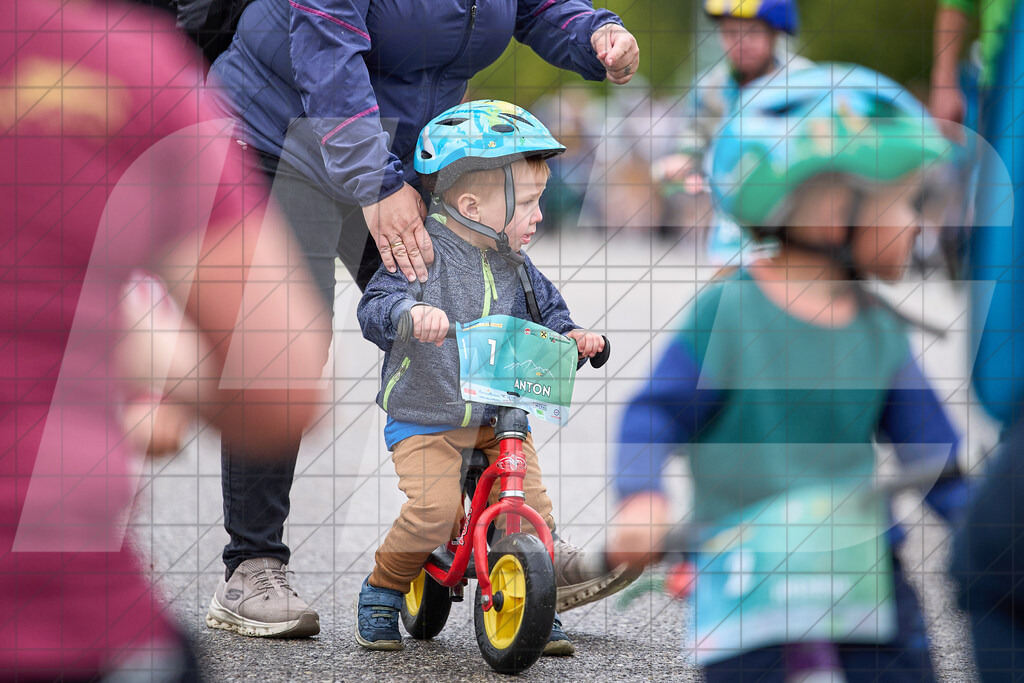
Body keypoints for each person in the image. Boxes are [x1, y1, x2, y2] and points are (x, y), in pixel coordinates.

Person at [204, 0, 641, 638]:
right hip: (279, 138)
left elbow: (538, 7)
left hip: (396, 154)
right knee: (283, 342)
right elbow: (326, 52)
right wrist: (375, 183)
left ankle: (512, 541)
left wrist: (592, 32)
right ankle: (252, 565)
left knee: (466, 315)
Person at [1, 0, 330, 678]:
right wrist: (133, 343)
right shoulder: (115, 62)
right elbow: (280, 384)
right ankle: (253, 561)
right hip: (59, 621)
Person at [607, 64, 969, 681]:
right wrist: (641, 497)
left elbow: (936, 457)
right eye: (904, 201)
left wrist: (991, 524)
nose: (918, 223)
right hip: (749, 585)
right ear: (833, 207)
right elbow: (655, 411)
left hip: (864, 578)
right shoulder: (731, 312)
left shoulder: (880, 329)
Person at [354, 100, 629, 654]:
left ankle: (533, 600)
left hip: (501, 418)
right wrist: (408, 315)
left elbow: (552, 317)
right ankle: (383, 586)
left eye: (538, 202)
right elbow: (375, 304)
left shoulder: (520, 268)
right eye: (527, 202)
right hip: (427, 416)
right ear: (471, 204)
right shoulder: (422, 255)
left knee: (532, 514)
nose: (538, 216)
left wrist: (575, 339)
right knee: (432, 516)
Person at [653, 0, 811, 262]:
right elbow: (696, 134)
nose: (740, 42)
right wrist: (683, 159)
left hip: (793, 212)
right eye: (730, 33)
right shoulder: (711, 87)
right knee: (725, 285)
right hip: (732, 218)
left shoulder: (803, 82)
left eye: (752, 32)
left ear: (775, 33)